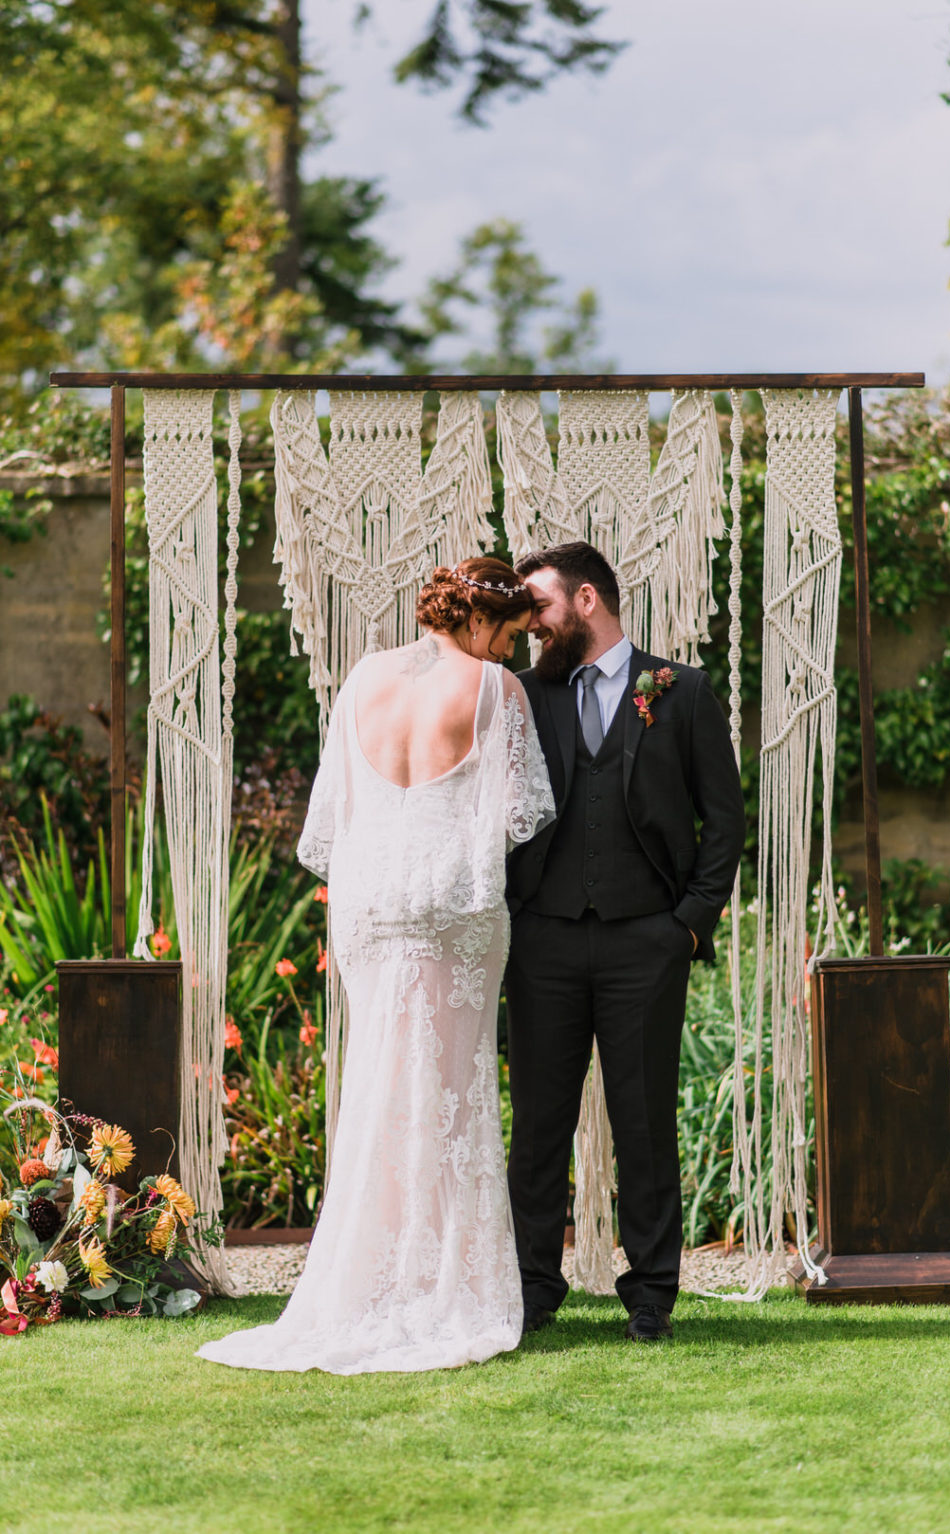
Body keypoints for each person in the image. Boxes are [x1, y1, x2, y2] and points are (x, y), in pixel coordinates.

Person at [198, 557, 554, 1375]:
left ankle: (375, 1278)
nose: (508, 655)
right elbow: (522, 814)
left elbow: (333, 817)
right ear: (477, 621)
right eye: (507, 638)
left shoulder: (361, 678)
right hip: (450, 906)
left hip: (368, 909)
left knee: (379, 1089)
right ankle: (438, 1287)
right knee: (450, 1095)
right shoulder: (495, 691)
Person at [505, 541, 745, 1342]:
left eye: (538, 606)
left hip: (647, 942)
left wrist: (688, 923)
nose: (529, 624)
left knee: (643, 1123)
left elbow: (725, 820)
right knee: (538, 1124)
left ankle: (650, 1295)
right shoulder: (523, 696)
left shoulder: (679, 692)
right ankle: (534, 1287)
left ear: (585, 601)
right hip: (543, 941)